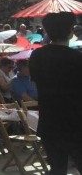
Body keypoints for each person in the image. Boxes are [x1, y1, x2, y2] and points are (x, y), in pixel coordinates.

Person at [30, 12, 82, 174]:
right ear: (70, 32)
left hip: (49, 119)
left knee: (57, 167)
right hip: (75, 120)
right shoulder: (77, 57)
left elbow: (36, 84)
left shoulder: (37, 55)